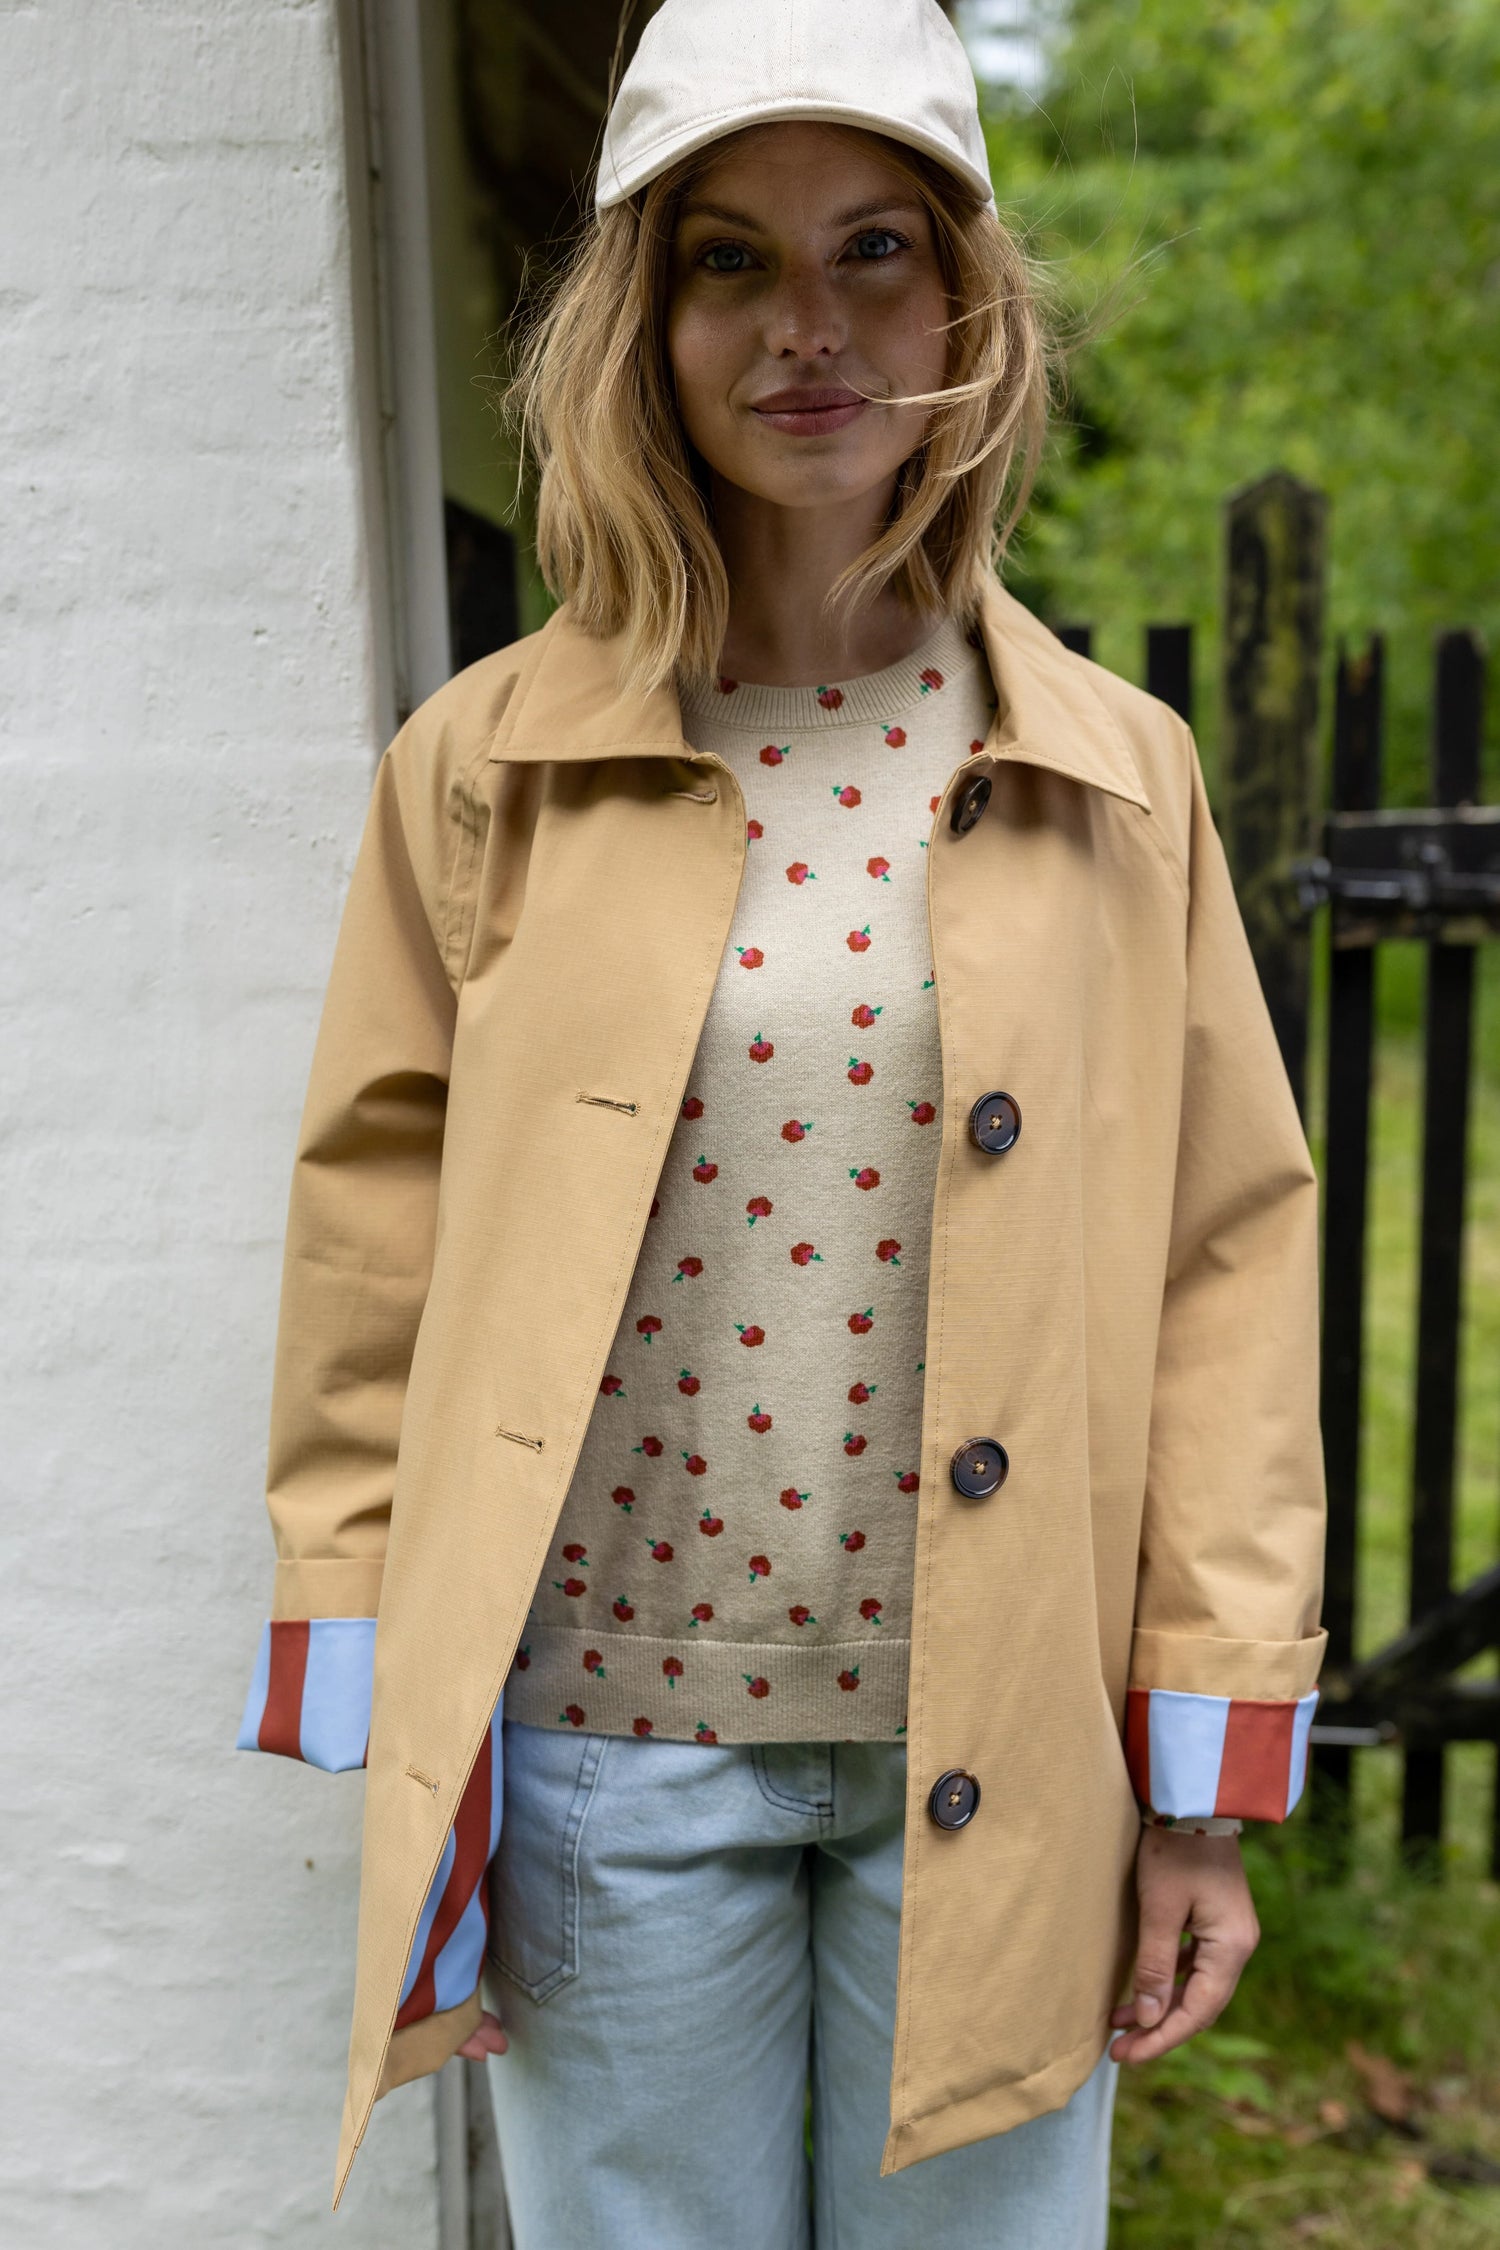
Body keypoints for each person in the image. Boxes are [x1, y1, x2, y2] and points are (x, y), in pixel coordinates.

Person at [235, 1, 1328, 2240]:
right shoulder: (489, 769)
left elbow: (1225, 1260)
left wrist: (1202, 1775)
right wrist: (364, 1647)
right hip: (614, 1750)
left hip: (1002, 1733)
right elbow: (375, 1231)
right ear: (643, 319)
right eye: (730, 258)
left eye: (874, 250)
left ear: (968, 304)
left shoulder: (1116, 774)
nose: (806, 327)